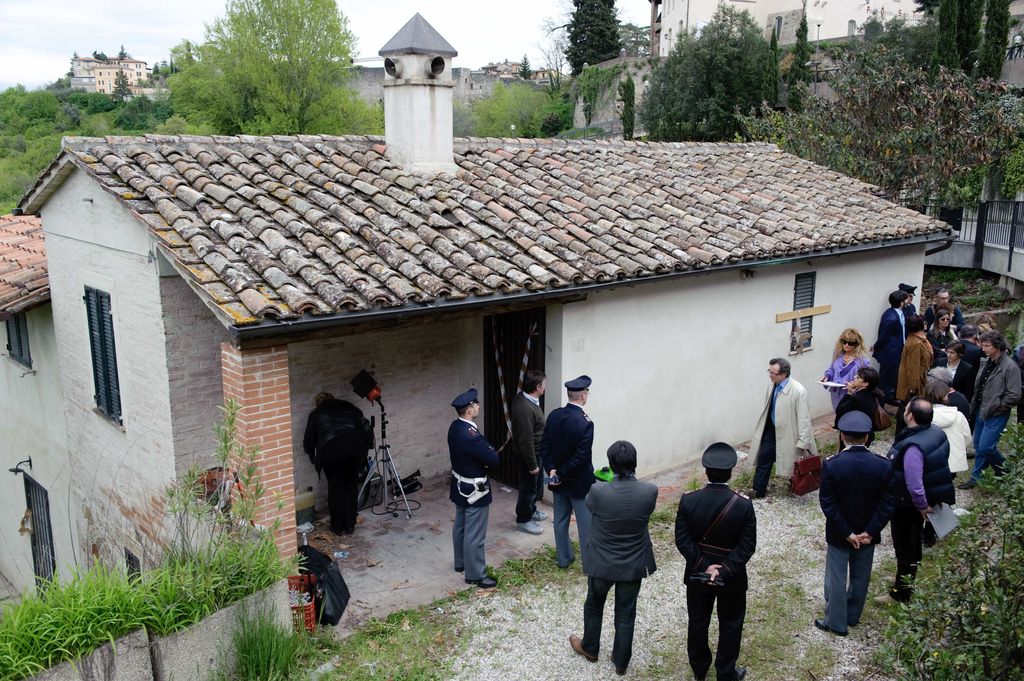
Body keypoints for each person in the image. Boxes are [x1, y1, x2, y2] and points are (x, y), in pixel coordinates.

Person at [569, 441, 658, 676]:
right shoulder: (650, 491)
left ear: (610, 464)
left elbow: (591, 509)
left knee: (594, 604)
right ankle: (621, 662)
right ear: (635, 462)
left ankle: (590, 648)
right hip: (633, 561)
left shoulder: (598, 491)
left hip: (602, 561)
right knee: (626, 612)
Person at [675, 443, 756, 681]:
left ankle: (700, 669)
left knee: (698, 621)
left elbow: (682, 539)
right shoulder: (742, 504)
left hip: (698, 573)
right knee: (731, 623)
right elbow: (747, 545)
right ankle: (726, 672)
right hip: (731, 577)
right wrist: (725, 569)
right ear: (731, 472)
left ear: (706, 471)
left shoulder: (689, 501)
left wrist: (703, 565)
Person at [816, 411, 895, 636]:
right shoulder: (883, 465)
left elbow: (828, 503)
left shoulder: (833, 465)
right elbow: (887, 503)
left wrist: (847, 532)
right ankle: (853, 615)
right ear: (867, 438)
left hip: (840, 533)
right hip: (868, 533)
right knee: (861, 576)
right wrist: (870, 531)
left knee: (836, 578)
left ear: (842, 436)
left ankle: (836, 623)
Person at [877, 398, 954, 604]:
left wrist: (922, 505)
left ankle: (900, 592)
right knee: (913, 543)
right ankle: (906, 577)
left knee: (905, 547)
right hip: (925, 498)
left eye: (907, 408)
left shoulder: (913, 447)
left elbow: (914, 483)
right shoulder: (936, 433)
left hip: (907, 505)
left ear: (909, 416)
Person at [539, 375, 596, 569]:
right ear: (583, 395)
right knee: (585, 526)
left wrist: (552, 472)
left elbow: (544, 446)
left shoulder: (555, 415)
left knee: (560, 522)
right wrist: (560, 474)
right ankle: (589, 565)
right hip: (578, 483)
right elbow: (581, 458)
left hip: (557, 481)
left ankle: (563, 559)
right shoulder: (586, 423)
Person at [448, 388, 499, 588]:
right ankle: (475, 574)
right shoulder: (471, 435)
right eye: (476, 404)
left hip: (459, 484)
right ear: (470, 409)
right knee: (475, 534)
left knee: (460, 526)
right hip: (475, 489)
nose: (478, 406)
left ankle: (460, 563)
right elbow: (493, 460)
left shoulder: (454, 427)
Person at [302, 393, 374, 535]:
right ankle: (350, 525)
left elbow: (309, 441)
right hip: (356, 446)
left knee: (336, 487)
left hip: (333, 450)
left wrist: (312, 457)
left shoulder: (316, 413)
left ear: (318, 403)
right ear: (333, 398)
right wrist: (366, 446)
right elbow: (366, 427)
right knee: (351, 484)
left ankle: (338, 527)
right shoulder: (349, 407)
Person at [960, 331, 1022, 489]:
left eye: (987, 346)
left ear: (998, 346)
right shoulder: (986, 361)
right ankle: (976, 478)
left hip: (996, 412)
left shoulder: (1010, 367)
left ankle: (1005, 470)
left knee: (987, 447)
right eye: (982, 345)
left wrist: (998, 406)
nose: (983, 348)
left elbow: (1014, 395)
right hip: (982, 408)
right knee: (979, 445)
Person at [749, 358, 817, 498]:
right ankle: (758, 489)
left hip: (789, 432)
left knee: (793, 460)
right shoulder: (772, 385)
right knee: (764, 458)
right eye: (770, 371)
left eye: (773, 373)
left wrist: (803, 440)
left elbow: (804, 418)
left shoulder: (798, 391)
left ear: (784, 374)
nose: (770, 375)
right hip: (771, 429)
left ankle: (797, 486)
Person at [510, 369, 548, 535]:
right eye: (544, 385)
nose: (545, 388)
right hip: (529, 455)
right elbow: (526, 440)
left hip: (535, 452)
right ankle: (523, 520)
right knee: (528, 488)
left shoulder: (526, 398)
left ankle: (531, 510)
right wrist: (532, 465)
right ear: (538, 387)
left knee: (534, 486)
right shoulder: (524, 408)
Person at [921, 379, 971, 477]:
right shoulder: (958, 415)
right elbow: (967, 439)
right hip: (952, 463)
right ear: (945, 396)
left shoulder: (922, 415)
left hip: (928, 461)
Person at [821, 328, 871, 411]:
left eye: (850, 343)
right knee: (838, 412)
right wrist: (827, 377)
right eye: (844, 342)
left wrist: (855, 384)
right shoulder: (838, 354)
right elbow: (831, 369)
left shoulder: (863, 360)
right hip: (836, 393)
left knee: (848, 415)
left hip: (852, 393)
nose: (846, 345)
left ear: (856, 344)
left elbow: (867, 378)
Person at [834, 366, 885, 447]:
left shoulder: (857, 398)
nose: (854, 377)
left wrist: (849, 393)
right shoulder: (876, 394)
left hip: (853, 435)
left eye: (858, 377)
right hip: (867, 433)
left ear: (865, 384)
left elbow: (839, 410)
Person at [873, 290, 910, 403]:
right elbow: (883, 336)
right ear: (901, 302)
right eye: (906, 299)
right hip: (890, 353)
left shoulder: (898, 313)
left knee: (892, 377)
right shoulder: (891, 318)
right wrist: (876, 347)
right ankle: (880, 405)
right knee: (885, 380)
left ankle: (889, 397)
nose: (908, 301)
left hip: (897, 351)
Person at [896, 315, 933, 426]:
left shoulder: (920, 340)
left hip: (921, 380)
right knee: (909, 412)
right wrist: (914, 387)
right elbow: (912, 368)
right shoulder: (915, 343)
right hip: (915, 386)